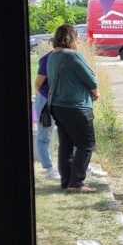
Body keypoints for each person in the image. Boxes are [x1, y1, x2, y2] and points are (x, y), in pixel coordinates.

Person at [46, 24, 100, 193]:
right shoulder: (73, 55)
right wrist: (96, 93)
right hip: (76, 106)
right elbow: (91, 79)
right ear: (71, 38)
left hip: (57, 105)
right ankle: (76, 182)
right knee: (86, 144)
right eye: (77, 37)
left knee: (66, 144)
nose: (78, 40)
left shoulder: (52, 56)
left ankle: (66, 182)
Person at [33, 51, 60, 180]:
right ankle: (49, 169)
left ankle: (81, 165)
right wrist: (46, 101)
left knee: (72, 134)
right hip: (46, 100)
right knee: (44, 135)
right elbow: (37, 84)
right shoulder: (47, 58)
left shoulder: (73, 56)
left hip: (64, 101)